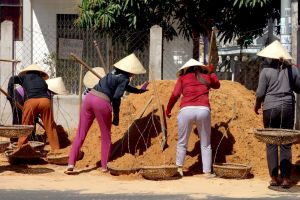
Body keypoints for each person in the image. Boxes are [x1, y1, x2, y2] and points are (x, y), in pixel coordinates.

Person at [65, 53, 147, 174]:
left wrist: (138, 91)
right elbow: (116, 97)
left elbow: (124, 87)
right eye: (134, 72)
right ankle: (104, 166)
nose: (134, 74)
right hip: (102, 103)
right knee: (106, 135)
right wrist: (117, 115)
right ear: (130, 71)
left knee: (80, 133)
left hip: (89, 98)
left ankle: (71, 163)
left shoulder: (113, 72)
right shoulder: (124, 78)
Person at [254, 40, 300, 188]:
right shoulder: (292, 70)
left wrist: (256, 106)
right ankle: (286, 179)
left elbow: (260, 93)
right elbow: (299, 88)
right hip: (287, 108)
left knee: (271, 142)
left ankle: (274, 178)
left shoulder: (266, 71)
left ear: (269, 57)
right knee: (286, 142)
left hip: (270, 108)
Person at [165, 58, 220, 177]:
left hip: (186, 110)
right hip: (203, 110)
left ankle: (179, 168)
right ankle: (207, 172)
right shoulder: (206, 77)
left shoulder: (182, 78)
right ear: (200, 68)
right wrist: (211, 72)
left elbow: (175, 95)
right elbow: (217, 85)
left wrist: (168, 109)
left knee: (182, 142)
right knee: (206, 144)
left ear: (186, 69)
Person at [8, 64, 60, 152]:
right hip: (45, 102)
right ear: (39, 73)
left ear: (27, 72)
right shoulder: (42, 80)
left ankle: (21, 149)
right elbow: (45, 90)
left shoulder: (24, 77)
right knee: (50, 126)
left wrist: (10, 94)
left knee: (25, 127)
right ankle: (56, 150)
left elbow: (12, 79)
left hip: (31, 102)